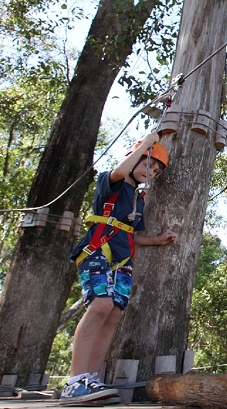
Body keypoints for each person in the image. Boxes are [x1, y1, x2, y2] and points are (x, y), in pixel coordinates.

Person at [60, 132, 178, 405]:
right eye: (149, 165)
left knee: (113, 313)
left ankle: (90, 378)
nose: (151, 172)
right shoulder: (111, 181)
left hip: (123, 258)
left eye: (156, 171)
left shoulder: (138, 199)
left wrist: (158, 240)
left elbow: (132, 235)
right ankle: (74, 381)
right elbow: (121, 169)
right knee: (100, 306)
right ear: (135, 158)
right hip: (98, 249)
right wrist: (146, 145)